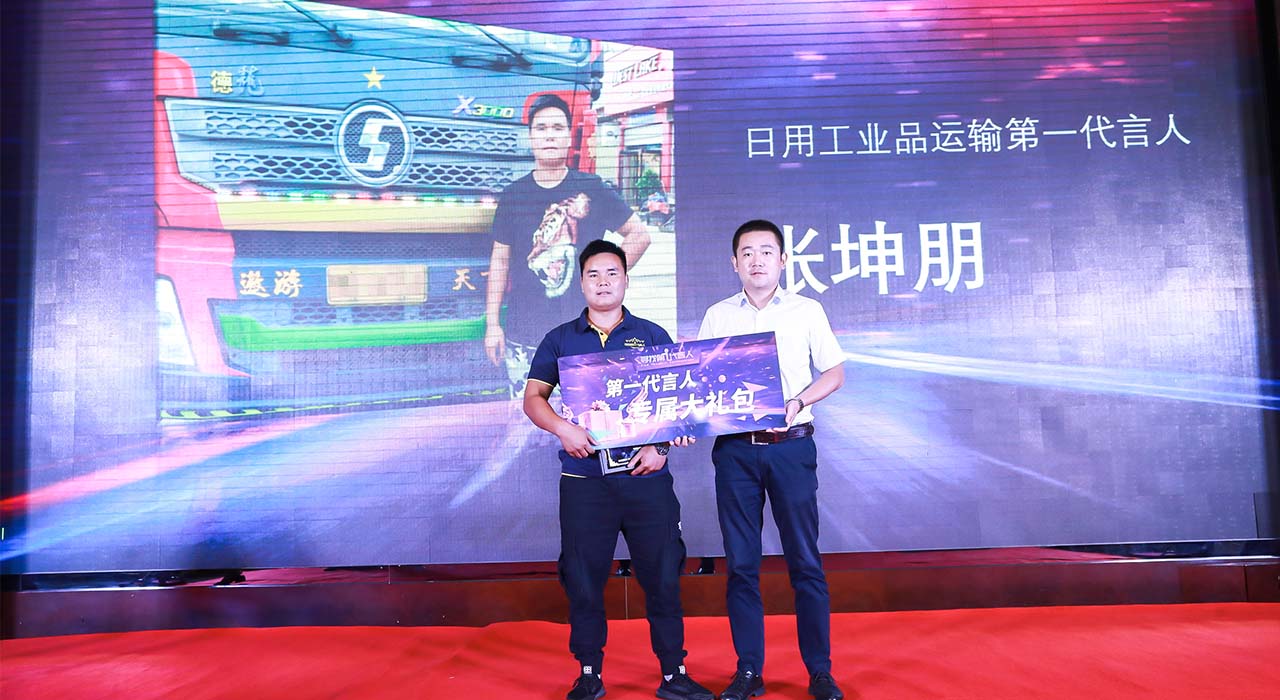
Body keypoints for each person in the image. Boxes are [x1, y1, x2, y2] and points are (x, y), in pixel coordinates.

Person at [524, 239, 713, 700]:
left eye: (612, 273)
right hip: (585, 481)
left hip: (646, 479)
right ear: (581, 282)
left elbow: (679, 403)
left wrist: (661, 446)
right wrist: (563, 429)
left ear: (627, 280)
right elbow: (533, 398)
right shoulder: (560, 339)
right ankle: (589, 673)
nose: (603, 282)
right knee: (583, 578)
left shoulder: (651, 335)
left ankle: (673, 674)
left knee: (663, 576)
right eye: (594, 274)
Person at [696, 220, 847, 700]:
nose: (756, 260)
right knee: (741, 564)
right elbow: (699, 381)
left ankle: (820, 672)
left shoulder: (806, 310)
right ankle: (748, 671)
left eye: (766, 251)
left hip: (791, 447)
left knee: (805, 561)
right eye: (747, 252)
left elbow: (835, 372)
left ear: (783, 260)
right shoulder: (718, 316)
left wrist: (799, 401)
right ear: (734, 263)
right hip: (736, 452)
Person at [487, 93, 651, 398]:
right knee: (529, 419)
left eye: (558, 128)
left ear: (569, 137)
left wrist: (604, 279)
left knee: (589, 419)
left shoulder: (592, 188)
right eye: (541, 128)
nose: (549, 135)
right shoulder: (513, 196)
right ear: (531, 137)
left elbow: (640, 235)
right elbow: (500, 261)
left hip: (586, 336)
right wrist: (493, 324)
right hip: (525, 337)